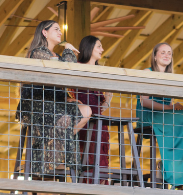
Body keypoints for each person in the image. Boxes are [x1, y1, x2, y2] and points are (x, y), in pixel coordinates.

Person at [17, 20, 92, 178]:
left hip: (55, 104)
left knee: (86, 110)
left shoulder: (57, 56)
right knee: (65, 118)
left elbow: (65, 78)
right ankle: (51, 157)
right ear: (44, 32)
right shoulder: (37, 53)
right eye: (56, 29)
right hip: (37, 104)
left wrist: (67, 98)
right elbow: (64, 71)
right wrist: (68, 50)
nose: (60, 32)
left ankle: (52, 154)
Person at [135, 42, 183, 188]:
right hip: (148, 116)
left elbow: (169, 104)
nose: (166, 55)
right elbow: (144, 101)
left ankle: (179, 168)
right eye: (163, 52)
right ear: (155, 56)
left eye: (169, 53)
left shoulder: (170, 77)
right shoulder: (147, 72)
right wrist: (170, 107)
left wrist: (174, 107)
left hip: (164, 116)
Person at [75, 35, 112, 180]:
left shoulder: (100, 70)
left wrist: (107, 100)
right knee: (85, 156)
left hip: (98, 121)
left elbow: (105, 99)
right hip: (83, 119)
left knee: (100, 156)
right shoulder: (76, 66)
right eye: (99, 46)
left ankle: (99, 188)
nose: (102, 49)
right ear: (89, 47)